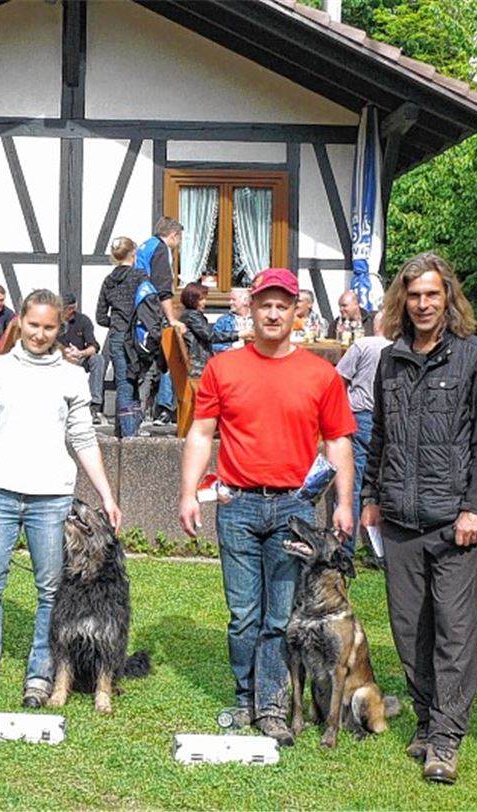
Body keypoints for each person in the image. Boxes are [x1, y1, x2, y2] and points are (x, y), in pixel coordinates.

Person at [179, 267, 356, 747]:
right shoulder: (223, 368)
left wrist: (344, 503)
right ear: (251, 310)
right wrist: (188, 492)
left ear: (296, 312)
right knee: (243, 615)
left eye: (283, 305)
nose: (273, 314)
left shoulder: (321, 374)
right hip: (236, 502)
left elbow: (338, 441)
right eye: (265, 305)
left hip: (293, 509)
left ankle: (274, 706)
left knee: (280, 617)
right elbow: (201, 433)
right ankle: (245, 698)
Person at [361, 252, 477, 785]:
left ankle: (445, 737)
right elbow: (379, 435)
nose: (423, 304)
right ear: (403, 301)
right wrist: (371, 494)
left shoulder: (476, 357)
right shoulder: (390, 360)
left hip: (453, 523)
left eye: (432, 294)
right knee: (408, 630)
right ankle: (425, 719)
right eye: (414, 295)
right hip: (399, 519)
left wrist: (476, 508)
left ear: (448, 298)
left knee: (454, 635)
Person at [0, 289, 121, 707]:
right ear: (20, 322)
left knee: (51, 592)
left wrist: (106, 495)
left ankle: (41, 676)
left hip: (52, 498)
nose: (40, 334)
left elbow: (83, 438)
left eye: (49, 327)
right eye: (33, 325)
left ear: (59, 327)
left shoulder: (71, 376)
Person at [334, 311, 390, 561]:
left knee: (352, 485)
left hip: (362, 416)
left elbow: (338, 379)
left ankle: (343, 549)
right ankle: (382, 552)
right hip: (389, 420)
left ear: (375, 325)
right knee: (383, 484)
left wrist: (341, 410)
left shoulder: (363, 345)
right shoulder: (400, 348)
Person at [136, 217, 185, 425]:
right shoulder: (161, 249)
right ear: (173, 235)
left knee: (139, 366)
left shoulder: (146, 245)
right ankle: (138, 417)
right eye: (179, 239)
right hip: (149, 310)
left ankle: (136, 416)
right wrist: (171, 318)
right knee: (149, 367)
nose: (179, 244)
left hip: (138, 308)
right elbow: (163, 288)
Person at [95, 237, 145, 438]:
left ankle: (121, 430)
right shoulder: (139, 276)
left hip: (117, 335)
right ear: (133, 254)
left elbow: (100, 317)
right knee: (131, 384)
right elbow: (149, 304)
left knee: (122, 382)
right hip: (135, 335)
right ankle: (129, 437)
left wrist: (115, 323)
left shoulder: (108, 280)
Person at [57, 292, 105, 424]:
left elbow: (93, 346)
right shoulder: (52, 321)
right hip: (59, 359)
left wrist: (80, 353)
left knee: (98, 359)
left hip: (79, 358)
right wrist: (64, 353)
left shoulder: (83, 321)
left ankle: (94, 406)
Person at [178, 282, 244, 377]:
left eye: (205, 298)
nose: (204, 302)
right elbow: (209, 336)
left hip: (198, 363)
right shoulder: (192, 316)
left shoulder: (188, 315)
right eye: (201, 299)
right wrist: (240, 334)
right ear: (192, 299)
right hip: (198, 366)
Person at [212, 288, 252, 353]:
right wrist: (227, 349)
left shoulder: (256, 319)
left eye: (234, 299)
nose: (230, 302)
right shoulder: (223, 320)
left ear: (245, 301)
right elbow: (212, 342)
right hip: (233, 356)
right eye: (230, 300)